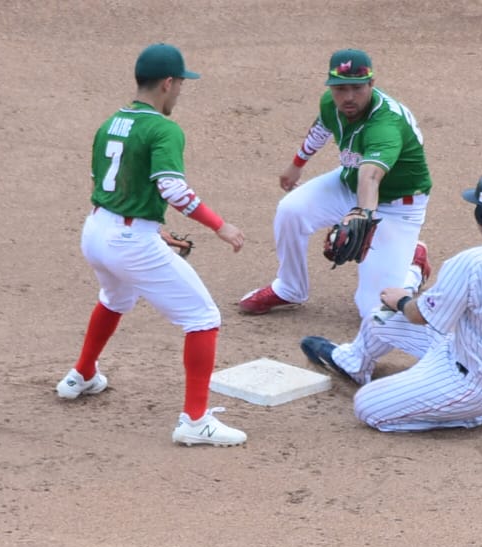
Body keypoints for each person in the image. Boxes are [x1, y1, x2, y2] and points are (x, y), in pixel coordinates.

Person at [56, 43, 248, 448]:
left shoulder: (111, 123)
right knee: (203, 317)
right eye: (179, 83)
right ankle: (195, 422)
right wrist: (220, 225)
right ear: (167, 82)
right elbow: (172, 187)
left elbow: (108, 181)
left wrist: (151, 222)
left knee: (115, 296)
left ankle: (82, 375)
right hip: (129, 240)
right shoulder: (164, 128)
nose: (179, 91)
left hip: (95, 230)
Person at [297, 169, 482, 432]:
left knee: (367, 407)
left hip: (471, 384)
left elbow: (419, 315)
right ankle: (353, 363)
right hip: (463, 348)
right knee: (378, 318)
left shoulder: (470, 263)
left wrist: (401, 299)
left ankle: (472, 416)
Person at [238, 48, 433, 317]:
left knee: (374, 311)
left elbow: (371, 175)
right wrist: (297, 164)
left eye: (357, 88)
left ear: (371, 84)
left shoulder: (385, 124)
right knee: (291, 210)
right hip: (349, 183)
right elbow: (321, 128)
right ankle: (290, 288)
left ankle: (413, 267)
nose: (348, 97)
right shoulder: (332, 104)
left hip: (397, 205)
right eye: (340, 88)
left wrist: (363, 216)